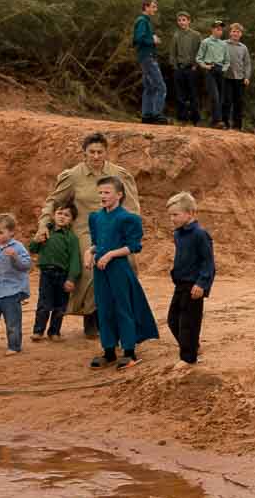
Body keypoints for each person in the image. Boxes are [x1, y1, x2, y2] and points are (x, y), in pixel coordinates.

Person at [39, 132, 141, 338]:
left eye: (100, 152)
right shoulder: (73, 176)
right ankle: (92, 316)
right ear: (84, 153)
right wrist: (44, 224)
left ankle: (122, 316)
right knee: (92, 266)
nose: (95, 156)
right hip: (84, 229)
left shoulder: (118, 174)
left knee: (128, 263)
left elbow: (131, 206)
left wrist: (130, 231)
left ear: (106, 152)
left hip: (114, 227)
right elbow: (53, 201)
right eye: (91, 152)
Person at [87, 175, 159, 369]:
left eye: (107, 192)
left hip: (119, 268)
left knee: (123, 307)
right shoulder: (95, 217)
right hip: (100, 270)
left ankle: (129, 352)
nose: (102, 195)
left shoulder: (128, 218)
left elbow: (133, 246)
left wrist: (110, 254)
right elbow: (96, 243)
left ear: (119, 195)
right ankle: (109, 351)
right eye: (100, 192)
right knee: (103, 308)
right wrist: (89, 252)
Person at [165, 192, 216, 365]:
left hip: (194, 286)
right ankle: (192, 346)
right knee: (173, 320)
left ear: (190, 213)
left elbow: (208, 263)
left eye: (176, 215)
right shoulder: (178, 233)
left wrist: (202, 283)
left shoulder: (200, 234)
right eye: (170, 215)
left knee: (188, 323)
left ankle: (188, 359)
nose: (172, 219)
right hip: (180, 284)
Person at [28, 201, 82, 340]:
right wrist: (36, 240)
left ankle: (54, 332)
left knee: (60, 306)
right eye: (59, 213)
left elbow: (75, 260)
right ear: (53, 215)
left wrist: (71, 279)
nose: (62, 217)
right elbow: (33, 249)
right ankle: (38, 331)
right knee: (44, 304)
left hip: (63, 275)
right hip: (46, 274)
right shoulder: (46, 232)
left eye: (67, 215)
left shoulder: (71, 238)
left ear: (71, 219)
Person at [0, 212, 34, 354]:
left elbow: (27, 265)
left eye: (0, 232)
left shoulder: (18, 247)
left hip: (11, 292)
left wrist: (15, 257)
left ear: (11, 232)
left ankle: (14, 346)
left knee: (13, 322)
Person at [134, 0, 165, 125]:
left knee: (150, 87)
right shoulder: (142, 21)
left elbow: (141, 38)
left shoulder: (145, 21)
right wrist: (153, 40)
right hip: (147, 57)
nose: (155, 9)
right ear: (146, 7)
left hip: (145, 56)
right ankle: (156, 114)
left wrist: (152, 39)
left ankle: (146, 115)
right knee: (161, 87)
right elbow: (138, 39)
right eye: (153, 7)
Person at [169, 12, 203, 125]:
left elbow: (200, 51)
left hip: (192, 69)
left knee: (193, 94)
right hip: (179, 68)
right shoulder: (176, 35)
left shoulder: (196, 35)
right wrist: (174, 66)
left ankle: (195, 119)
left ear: (189, 21)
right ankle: (182, 119)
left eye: (184, 20)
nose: (181, 22)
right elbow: (172, 52)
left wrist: (195, 65)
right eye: (179, 20)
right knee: (180, 95)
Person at [196, 21, 230, 129]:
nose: (219, 31)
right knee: (214, 96)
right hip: (210, 69)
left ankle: (214, 121)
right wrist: (205, 66)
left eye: (221, 29)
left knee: (220, 97)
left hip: (220, 70)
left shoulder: (224, 44)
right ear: (212, 29)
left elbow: (227, 60)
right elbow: (198, 58)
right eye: (217, 29)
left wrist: (224, 69)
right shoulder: (205, 42)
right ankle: (218, 121)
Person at [223, 23, 252, 132]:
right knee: (227, 101)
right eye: (234, 31)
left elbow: (247, 63)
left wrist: (247, 77)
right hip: (226, 77)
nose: (235, 33)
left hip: (239, 78)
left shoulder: (243, 48)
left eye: (238, 32)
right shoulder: (223, 44)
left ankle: (237, 126)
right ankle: (225, 123)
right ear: (230, 32)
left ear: (241, 34)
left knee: (239, 102)